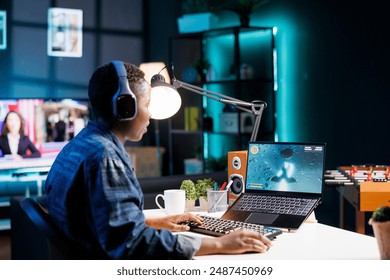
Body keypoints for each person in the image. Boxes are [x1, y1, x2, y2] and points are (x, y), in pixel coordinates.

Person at [44, 61, 272, 259]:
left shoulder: (81, 145)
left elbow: (99, 221)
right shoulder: (105, 157)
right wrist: (221, 244)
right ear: (126, 108)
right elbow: (132, 245)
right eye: (146, 104)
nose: (150, 113)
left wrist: (153, 222)